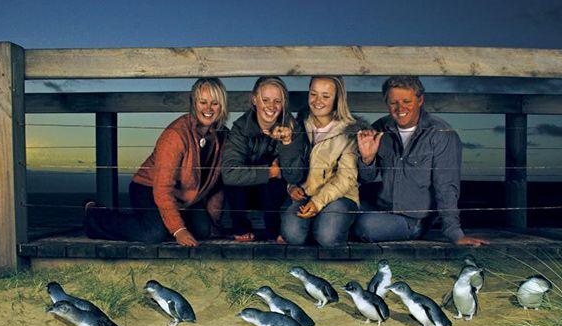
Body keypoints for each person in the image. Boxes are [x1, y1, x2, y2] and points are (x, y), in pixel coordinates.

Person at [84, 77, 229, 246]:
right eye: (203, 102)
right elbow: (162, 188)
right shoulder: (175, 135)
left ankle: (166, 220)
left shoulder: (223, 136)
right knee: (154, 234)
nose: (208, 109)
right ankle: (95, 216)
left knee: (204, 230)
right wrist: (179, 230)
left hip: (184, 197)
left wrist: (214, 222)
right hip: (149, 188)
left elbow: (217, 185)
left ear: (222, 105)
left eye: (215, 103)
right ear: (194, 103)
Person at [353, 76, 488, 246]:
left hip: (414, 221)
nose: (400, 108)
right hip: (381, 210)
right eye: (393, 102)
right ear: (386, 102)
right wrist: (367, 159)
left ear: (420, 100)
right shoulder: (380, 128)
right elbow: (366, 178)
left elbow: (446, 187)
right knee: (342, 210)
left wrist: (455, 234)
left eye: (406, 101)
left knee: (365, 225)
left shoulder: (441, 134)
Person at [280, 76, 368, 247]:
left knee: (327, 236)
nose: (317, 101)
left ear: (337, 99)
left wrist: (318, 202)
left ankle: (334, 225)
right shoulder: (298, 125)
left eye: (325, 96)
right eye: (313, 94)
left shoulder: (350, 131)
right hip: (305, 194)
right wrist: (290, 186)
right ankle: (316, 226)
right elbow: (287, 161)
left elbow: (346, 177)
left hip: (341, 196)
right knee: (293, 236)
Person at [221, 76, 303, 242]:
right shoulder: (240, 128)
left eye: (277, 101)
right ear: (254, 100)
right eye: (265, 100)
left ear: (284, 103)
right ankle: (240, 227)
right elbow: (229, 173)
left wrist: (286, 143)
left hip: (275, 196)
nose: (271, 106)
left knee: (271, 179)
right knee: (242, 176)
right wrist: (269, 171)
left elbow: (295, 176)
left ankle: (274, 230)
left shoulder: (293, 127)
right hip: (246, 193)